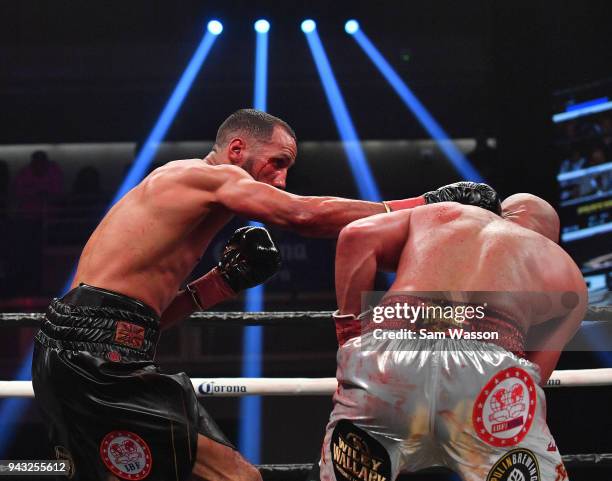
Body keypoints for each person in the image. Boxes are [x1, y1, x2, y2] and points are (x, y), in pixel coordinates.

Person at [32, 108, 502, 481]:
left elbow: (140, 321)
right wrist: (425, 204)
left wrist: (219, 284)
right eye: (277, 162)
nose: (280, 179)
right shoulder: (204, 176)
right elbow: (303, 216)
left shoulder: (187, 199)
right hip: (95, 356)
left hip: (88, 347)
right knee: (238, 477)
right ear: (236, 149)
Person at [317, 193, 587, 481]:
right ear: (551, 237)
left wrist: (351, 336)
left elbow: (355, 235)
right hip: (486, 374)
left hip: (386, 359)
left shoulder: (446, 213)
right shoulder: (566, 272)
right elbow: (535, 377)